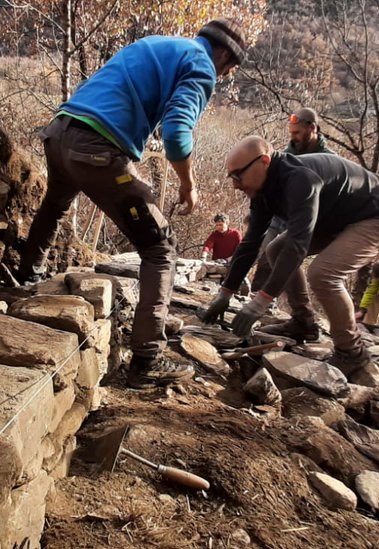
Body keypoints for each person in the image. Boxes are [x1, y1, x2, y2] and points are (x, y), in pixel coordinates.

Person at [16, 19, 247, 389]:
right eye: (230, 66)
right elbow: (175, 131)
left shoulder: (157, 43)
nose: (227, 73)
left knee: (55, 204)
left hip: (60, 132)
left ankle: (26, 277)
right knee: (160, 248)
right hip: (97, 149)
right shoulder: (202, 66)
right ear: (222, 53)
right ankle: (147, 359)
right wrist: (188, 186)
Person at [197, 137, 379, 380]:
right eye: (231, 177)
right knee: (274, 249)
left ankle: (352, 353)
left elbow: (297, 245)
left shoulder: (301, 179)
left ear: (264, 161)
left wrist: (260, 302)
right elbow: (251, 243)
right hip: (334, 217)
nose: (235, 185)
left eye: (238, 176)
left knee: (323, 274)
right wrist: (225, 293)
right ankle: (303, 322)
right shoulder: (263, 190)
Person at [250, 109, 336, 299]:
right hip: (279, 218)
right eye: (291, 133)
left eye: (297, 133)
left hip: (304, 221)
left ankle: (283, 307)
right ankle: (254, 298)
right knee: (265, 255)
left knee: (286, 259)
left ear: (312, 128)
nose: (293, 137)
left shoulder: (330, 160)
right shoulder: (287, 155)